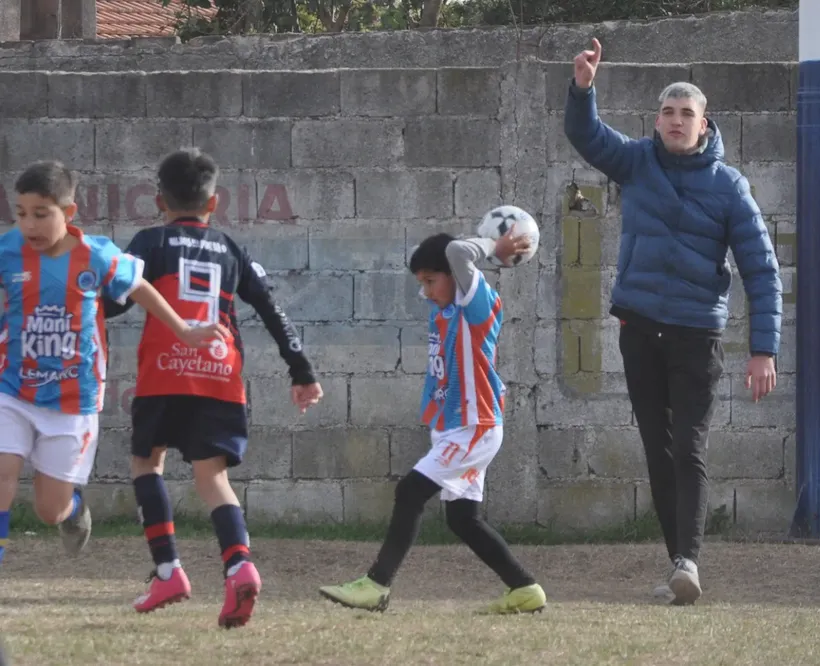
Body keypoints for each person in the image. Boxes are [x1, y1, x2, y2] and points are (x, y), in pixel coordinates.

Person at [564, 39, 783, 605]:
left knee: (688, 447)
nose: (676, 121)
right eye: (668, 113)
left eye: (687, 113)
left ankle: (689, 559)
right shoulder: (636, 162)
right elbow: (587, 137)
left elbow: (761, 270)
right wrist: (583, 89)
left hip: (695, 334)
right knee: (656, 452)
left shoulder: (728, 186)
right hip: (639, 330)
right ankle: (677, 562)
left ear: (704, 123)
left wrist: (764, 350)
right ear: (656, 122)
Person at [101, 148, 324, 629]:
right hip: (219, 374)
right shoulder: (231, 250)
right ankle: (240, 564)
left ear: (159, 200)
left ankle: (168, 571)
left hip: (164, 372)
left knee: (147, 462)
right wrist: (301, 371)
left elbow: (114, 300)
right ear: (214, 202)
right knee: (212, 479)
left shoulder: (150, 241)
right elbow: (271, 309)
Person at [0, 160, 226, 569]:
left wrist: (184, 330)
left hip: (73, 400)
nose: (28, 225)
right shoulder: (8, 252)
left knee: (49, 510)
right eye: (20, 213)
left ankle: (73, 510)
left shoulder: (96, 255)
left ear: (68, 214)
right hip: (12, 389)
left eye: (40, 214)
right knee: (2, 473)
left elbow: (140, 287)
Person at [317, 230, 546, 615]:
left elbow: (458, 250)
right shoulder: (444, 311)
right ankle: (525, 589)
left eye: (430, 280)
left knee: (409, 493)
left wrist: (494, 246)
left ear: (456, 275)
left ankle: (376, 585)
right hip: (456, 428)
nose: (425, 291)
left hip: (476, 426)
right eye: (420, 282)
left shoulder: (477, 304)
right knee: (462, 519)